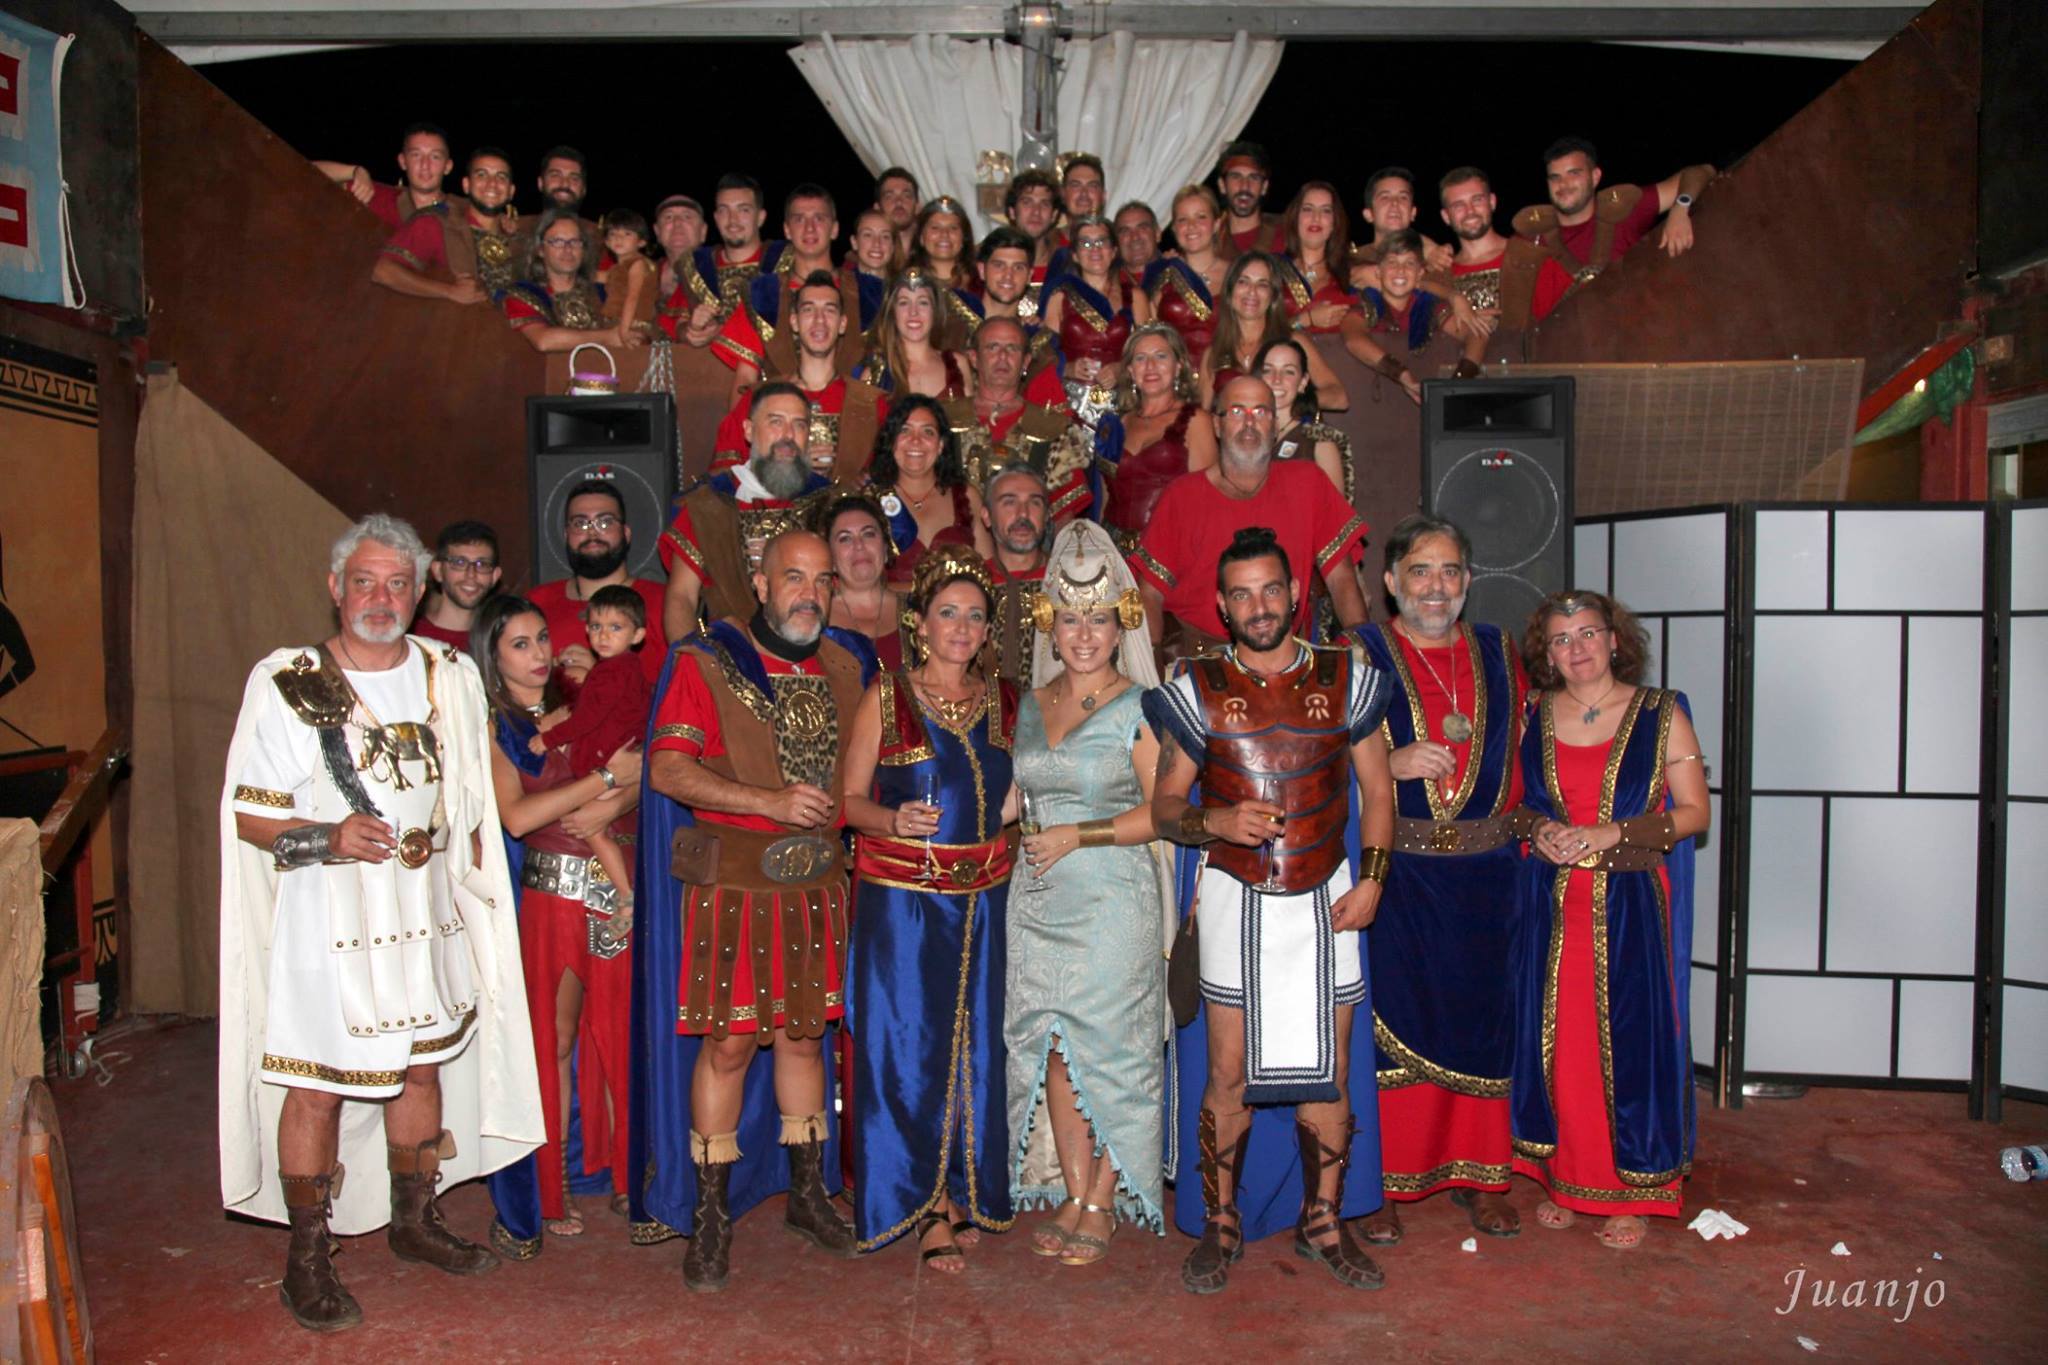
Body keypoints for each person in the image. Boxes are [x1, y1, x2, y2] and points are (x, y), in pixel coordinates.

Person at [219, 514, 539, 1331]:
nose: (380, 598)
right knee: (315, 1087)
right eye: (364, 581)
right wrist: (328, 835)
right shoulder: (290, 680)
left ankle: (413, 1218)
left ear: (420, 589)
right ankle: (306, 1258)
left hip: (426, 913)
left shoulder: (447, 673)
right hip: (328, 916)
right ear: (335, 587)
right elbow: (250, 813)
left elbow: (468, 798)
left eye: (398, 583)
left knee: (424, 1072)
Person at [1146, 527, 1396, 1294]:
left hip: (1328, 899)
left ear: (1295, 593)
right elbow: (1163, 806)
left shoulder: (1348, 676)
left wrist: (1374, 878)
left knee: (1330, 1074)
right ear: (1223, 605)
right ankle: (1221, 1221)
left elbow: (1378, 789)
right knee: (1227, 1071)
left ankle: (1324, 1219)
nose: (1259, 605)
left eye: (1271, 589)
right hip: (1234, 895)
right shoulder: (1197, 686)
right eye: (1242, 593)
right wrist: (1215, 819)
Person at [642, 530, 870, 1290]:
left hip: (819, 887)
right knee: (731, 1045)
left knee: (805, 1040)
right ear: (762, 585)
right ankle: (710, 1212)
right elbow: (669, 769)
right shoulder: (709, 660)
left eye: (823, 580)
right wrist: (765, 802)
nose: (810, 593)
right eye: (793, 577)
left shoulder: (847, 665)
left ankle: (807, 1194)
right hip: (736, 886)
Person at [1350, 517, 1530, 1248]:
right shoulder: (1358, 652)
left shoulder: (1497, 649)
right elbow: (1308, 755)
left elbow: (1532, 749)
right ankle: (1383, 1183)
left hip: (1489, 879)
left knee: (1484, 1027)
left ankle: (1483, 1176)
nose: (1436, 586)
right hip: (1402, 874)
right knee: (1392, 1031)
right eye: (1420, 571)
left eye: (1450, 571)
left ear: (1468, 581)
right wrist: (1382, 768)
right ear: (1391, 581)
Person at [1511, 590, 1708, 1249]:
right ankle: (1568, 1180)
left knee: (1629, 1044)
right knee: (1560, 1043)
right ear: (1547, 653)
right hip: (1551, 905)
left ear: (1616, 639)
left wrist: (1611, 832)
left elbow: (1694, 814)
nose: (1578, 648)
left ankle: (1633, 1191)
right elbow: (1517, 806)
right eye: (1562, 639)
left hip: (1630, 905)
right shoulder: (1535, 714)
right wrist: (1538, 829)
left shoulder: (1661, 712)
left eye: (1589, 633)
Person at [841, 545, 1019, 1271]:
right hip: (904, 910)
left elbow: (1020, 790)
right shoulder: (886, 696)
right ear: (918, 622)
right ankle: (923, 1205)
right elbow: (848, 802)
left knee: (977, 1051)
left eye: (975, 616)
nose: (962, 627)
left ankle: (964, 1186)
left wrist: (1022, 808)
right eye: (948, 612)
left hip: (984, 907)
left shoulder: (1007, 700)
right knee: (908, 1052)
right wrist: (892, 820)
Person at [1006, 521, 1172, 1266]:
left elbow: (1163, 812)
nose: (1082, 635)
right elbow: (1014, 799)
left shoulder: (1141, 706)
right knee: (1056, 1048)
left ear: (1120, 625)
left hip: (1112, 898)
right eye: (1070, 619)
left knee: (1114, 1052)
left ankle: (1105, 1196)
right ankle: (1074, 1191)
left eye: (1098, 620)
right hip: (1037, 901)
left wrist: (1079, 834)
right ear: (1051, 623)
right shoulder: (1029, 703)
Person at [474, 595, 642, 1252]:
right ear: (493, 656)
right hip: (551, 894)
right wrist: (601, 781)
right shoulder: (495, 727)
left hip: (619, 887)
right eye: (519, 644)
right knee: (557, 1041)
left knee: (621, 1039)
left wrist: (617, 797)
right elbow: (518, 817)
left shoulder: (587, 696)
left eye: (542, 637)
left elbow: (650, 769)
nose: (539, 653)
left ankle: (628, 1174)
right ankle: (553, 1185)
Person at [1131, 376, 1369, 655]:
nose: (1249, 422)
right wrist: (1149, 668)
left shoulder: (1308, 482)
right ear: (1217, 425)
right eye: (1236, 411)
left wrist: (1363, 653)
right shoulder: (1181, 496)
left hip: (1288, 659)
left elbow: (1342, 580)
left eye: (1260, 412)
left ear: (1275, 426)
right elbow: (1149, 594)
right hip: (1201, 659)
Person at [662, 383, 835, 639]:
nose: (788, 435)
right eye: (776, 422)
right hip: (732, 650)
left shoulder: (828, 501)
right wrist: (691, 658)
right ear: (749, 430)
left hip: (816, 649)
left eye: (799, 425)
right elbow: (682, 597)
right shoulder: (709, 505)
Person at [529, 584, 653, 907]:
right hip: (615, 755)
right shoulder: (623, 669)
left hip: (610, 760)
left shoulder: (612, 674)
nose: (604, 635)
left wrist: (548, 739)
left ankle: (626, 895)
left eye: (615, 628)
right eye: (597, 626)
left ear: (638, 635)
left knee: (593, 831)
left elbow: (587, 719)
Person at [1507, 138, 1717, 326]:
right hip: (1565, 346)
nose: (1563, 184)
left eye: (1574, 173)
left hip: (1632, 335)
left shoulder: (1624, 209)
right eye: (1555, 177)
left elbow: (1701, 171)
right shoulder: (1531, 237)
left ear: (1595, 176)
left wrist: (1681, 208)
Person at [707, 270, 888, 483]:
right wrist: (786, 465)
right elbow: (722, 476)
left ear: (842, 324)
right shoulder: (760, 399)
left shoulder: (871, 403)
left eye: (829, 310)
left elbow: (891, 477)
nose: (819, 320)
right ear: (794, 322)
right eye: (808, 309)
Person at [943, 315, 1095, 523]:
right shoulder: (942, 421)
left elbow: (1063, 519)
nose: (1002, 356)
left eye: (1012, 348)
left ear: (1025, 362)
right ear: (973, 358)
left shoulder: (1055, 429)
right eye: (992, 347)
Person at [530, 479, 668, 687]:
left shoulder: (664, 604)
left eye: (605, 522)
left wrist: (599, 674)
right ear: (566, 536)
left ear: (626, 533)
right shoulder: (536, 603)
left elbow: (682, 691)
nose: (592, 533)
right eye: (580, 524)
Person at [710, 184, 845, 383]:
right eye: (799, 219)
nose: (809, 228)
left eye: (819, 218)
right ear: (787, 230)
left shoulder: (860, 292)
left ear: (834, 229)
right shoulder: (762, 295)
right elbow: (745, 378)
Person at [1099, 323, 1216, 548]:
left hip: (1169, 550)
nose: (1150, 366)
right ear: (1130, 370)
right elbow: (1105, 496)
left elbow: (1207, 500)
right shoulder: (1114, 424)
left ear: (1178, 366)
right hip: (1112, 551)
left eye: (1161, 356)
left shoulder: (1196, 421)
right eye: (1140, 358)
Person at [1341, 230, 1486, 405]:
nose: (1400, 270)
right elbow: (1354, 339)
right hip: (1368, 405)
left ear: (1420, 273)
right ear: (1378, 272)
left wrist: (1456, 384)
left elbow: (1477, 334)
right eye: (1392, 262)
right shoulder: (1365, 303)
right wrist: (1402, 375)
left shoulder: (1429, 306)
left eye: (1409, 263)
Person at [863, 393, 990, 586]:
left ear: (941, 445)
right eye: (905, 430)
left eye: (928, 432)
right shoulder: (871, 500)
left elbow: (988, 571)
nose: (916, 440)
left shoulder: (967, 496)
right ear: (891, 441)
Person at [1201, 250, 1347, 411]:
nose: (1252, 291)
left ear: (1273, 296)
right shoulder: (1213, 353)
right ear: (1229, 291)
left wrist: (1293, 402)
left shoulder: (1292, 341)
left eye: (1262, 284)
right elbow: (1202, 415)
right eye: (1243, 282)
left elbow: (1339, 397)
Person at [372, 146, 517, 306]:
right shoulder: (436, 224)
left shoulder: (519, 239)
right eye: (481, 175)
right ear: (466, 185)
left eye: (501, 177)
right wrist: (448, 291)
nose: (492, 184)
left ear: (511, 191)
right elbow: (382, 270)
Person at [1041, 214, 1151, 415]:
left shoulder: (1135, 297)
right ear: (1075, 255)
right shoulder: (1060, 297)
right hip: (1069, 408)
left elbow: (1151, 350)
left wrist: (1122, 368)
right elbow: (1042, 354)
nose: (1095, 249)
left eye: (1102, 242)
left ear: (1114, 251)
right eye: (1086, 243)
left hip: (1123, 405)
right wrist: (1067, 368)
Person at [665, 174, 789, 348]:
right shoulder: (697, 266)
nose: (732, 220)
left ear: (760, 217)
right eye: (724, 210)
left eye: (743, 210)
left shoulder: (785, 260)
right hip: (708, 364)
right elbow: (673, 323)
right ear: (716, 217)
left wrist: (723, 331)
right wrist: (691, 332)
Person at [501, 207, 638, 354]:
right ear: (540, 249)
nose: (568, 249)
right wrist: (608, 337)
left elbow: (636, 331)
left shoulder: (603, 292)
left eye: (575, 242)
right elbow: (544, 341)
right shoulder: (524, 294)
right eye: (558, 242)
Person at [979, 461, 1054, 688]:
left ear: (1047, 516)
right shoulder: (971, 584)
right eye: (1009, 502)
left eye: (1034, 502)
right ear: (986, 516)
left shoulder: (1067, 579)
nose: (1023, 513)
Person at [819, 492, 906, 671]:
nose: (859, 545)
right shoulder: (815, 617)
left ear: (885, 548)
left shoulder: (919, 611)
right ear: (830, 557)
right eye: (845, 538)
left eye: (868, 534)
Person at [855, 269, 970, 400]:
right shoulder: (875, 374)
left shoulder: (957, 364)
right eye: (904, 303)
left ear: (935, 311)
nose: (913, 312)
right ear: (892, 313)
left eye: (923, 302)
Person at [316, 122, 454, 231]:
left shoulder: (459, 212)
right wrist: (354, 171)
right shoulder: (379, 197)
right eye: (416, 155)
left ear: (448, 166)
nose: (425, 165)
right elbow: (307, 173)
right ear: (402, 161)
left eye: (435, 157)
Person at [1258, 338, 1351, 498]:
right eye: (1268, 370)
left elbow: (1335, 509)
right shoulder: (1241, 434)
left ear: (1302, 382)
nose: (1277, 379)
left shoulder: (1318, 441)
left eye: (1288, 371)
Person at [1146, 185, 1227, 365]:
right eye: (1183, 219)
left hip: (1226, 377)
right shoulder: (1162, 276)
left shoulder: (1237, 276)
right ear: (1174, 228)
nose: (1191, 226)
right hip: (1174, 378)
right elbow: (1149, 338)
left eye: (1201, 217)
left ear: (1216, 224)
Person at [1278, 181, 1357, 334]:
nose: (1316, 217)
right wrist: (1306, 319)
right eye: (1308, 209)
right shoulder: (1271, 269)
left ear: (1334, 222)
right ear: (1295, 217)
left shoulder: (1351, 273)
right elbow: (1256, 332)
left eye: (1326, 211)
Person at [903, 197, 983, 349]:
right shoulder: (903, 285)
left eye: (953, 228)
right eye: (935, 228)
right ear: (921, 237)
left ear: (964, 238)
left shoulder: (980, 285)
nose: (944, 234)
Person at [1438, 166, 1517, 318]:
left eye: (1477, 200)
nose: (1470, 211)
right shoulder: (1440, 278)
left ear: (1492, 202)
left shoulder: (1527, 256)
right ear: (1446, 216)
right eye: (1458, 205)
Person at [412, 520, 501, 651]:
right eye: (459, 563)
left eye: (481, 565)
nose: (471, 574)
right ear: (438, 571)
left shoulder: (499, 642)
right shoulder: (411, 638)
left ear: (495, 576)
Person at [1004, 169, 1064, 319]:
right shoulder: (993, 268)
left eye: (1044, 204)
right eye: (1027, 202)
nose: (1036, 212)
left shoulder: (1067, 268)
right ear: (1012, 212)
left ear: (1054, 215)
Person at [1213, 141, 1287, 256]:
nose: (1245, 186)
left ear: (1264, 187)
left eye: (1254, 178)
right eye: (1236, 177)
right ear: (1222, 185)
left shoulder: (1287, 236)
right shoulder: (1207, 238)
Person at [652, 194, 710, 339]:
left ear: (703, 231)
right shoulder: (642, 274)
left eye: (687, 217)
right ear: (657, 232)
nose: (677, 223)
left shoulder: (720, 275)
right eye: (668, 217)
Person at [598, 208, 658, 343]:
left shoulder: (638, 264)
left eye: (627, 234)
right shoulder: (616, 269)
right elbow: (597, 276)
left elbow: (632, 297)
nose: (619, 238)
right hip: (613, 322)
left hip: (633, 324)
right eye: (613, 234)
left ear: (641, 242)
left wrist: (623, 330)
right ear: (607, 242)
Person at [1111, 200, 1161, 293]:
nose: (1135, 237)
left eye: (1142, 228)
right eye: (1125, 231)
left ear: (1157, 234)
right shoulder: (1106, 285)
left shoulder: (1178, 275)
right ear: (1116, 241)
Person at [874, 165, 922, 260]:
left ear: (918, 207)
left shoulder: (934, 257)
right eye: (889, 196)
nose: (899, 202)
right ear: (877, 208)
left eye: (906, 196)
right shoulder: (865, 260)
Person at [1060, 155, 1108, 228]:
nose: (1084, 193)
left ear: (1103, 195)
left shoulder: (1117, 235)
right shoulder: (1048, 235)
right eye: (1076, 185)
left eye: (1092, 186)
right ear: (1063, 194)